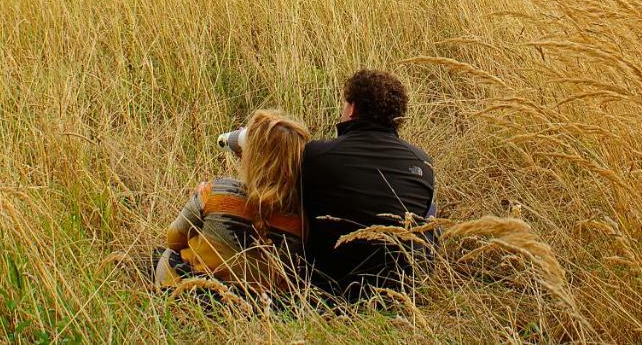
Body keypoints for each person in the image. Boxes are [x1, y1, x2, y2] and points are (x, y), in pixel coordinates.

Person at [299, 70, 436, 300]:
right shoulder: (422, 162)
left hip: (328, 289)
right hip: (397, 292)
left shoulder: (316, 155)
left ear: (352, 109)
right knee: (431, 215)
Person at [154, 109, 310, 294]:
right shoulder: (301, 220)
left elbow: (173, 240)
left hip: (193, 295)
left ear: (249, 155)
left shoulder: (217, 191)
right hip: (255, 308)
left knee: (163, 255)